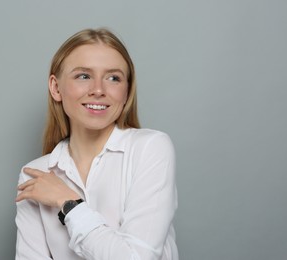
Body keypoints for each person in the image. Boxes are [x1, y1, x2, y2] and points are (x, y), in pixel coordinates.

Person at [15, 28, 178, 260]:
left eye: (113, 78)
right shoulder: (35, 175)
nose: (99, 90)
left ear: (126, 91)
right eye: (84, 76)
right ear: (56, 87)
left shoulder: (150, 148)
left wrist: (69, 204)